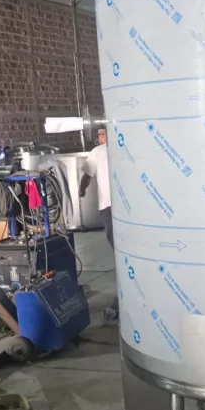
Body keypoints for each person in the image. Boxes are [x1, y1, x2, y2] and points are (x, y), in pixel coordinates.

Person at [79, 126, 118, 319]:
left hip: (108, 206)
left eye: (101, 134)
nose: (100, 137)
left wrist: (81, 189)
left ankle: (121, 297)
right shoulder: (122, 148)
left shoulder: (97, 152)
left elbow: (87, 176)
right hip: (126, 208)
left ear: (104, 135)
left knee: (117, 250)